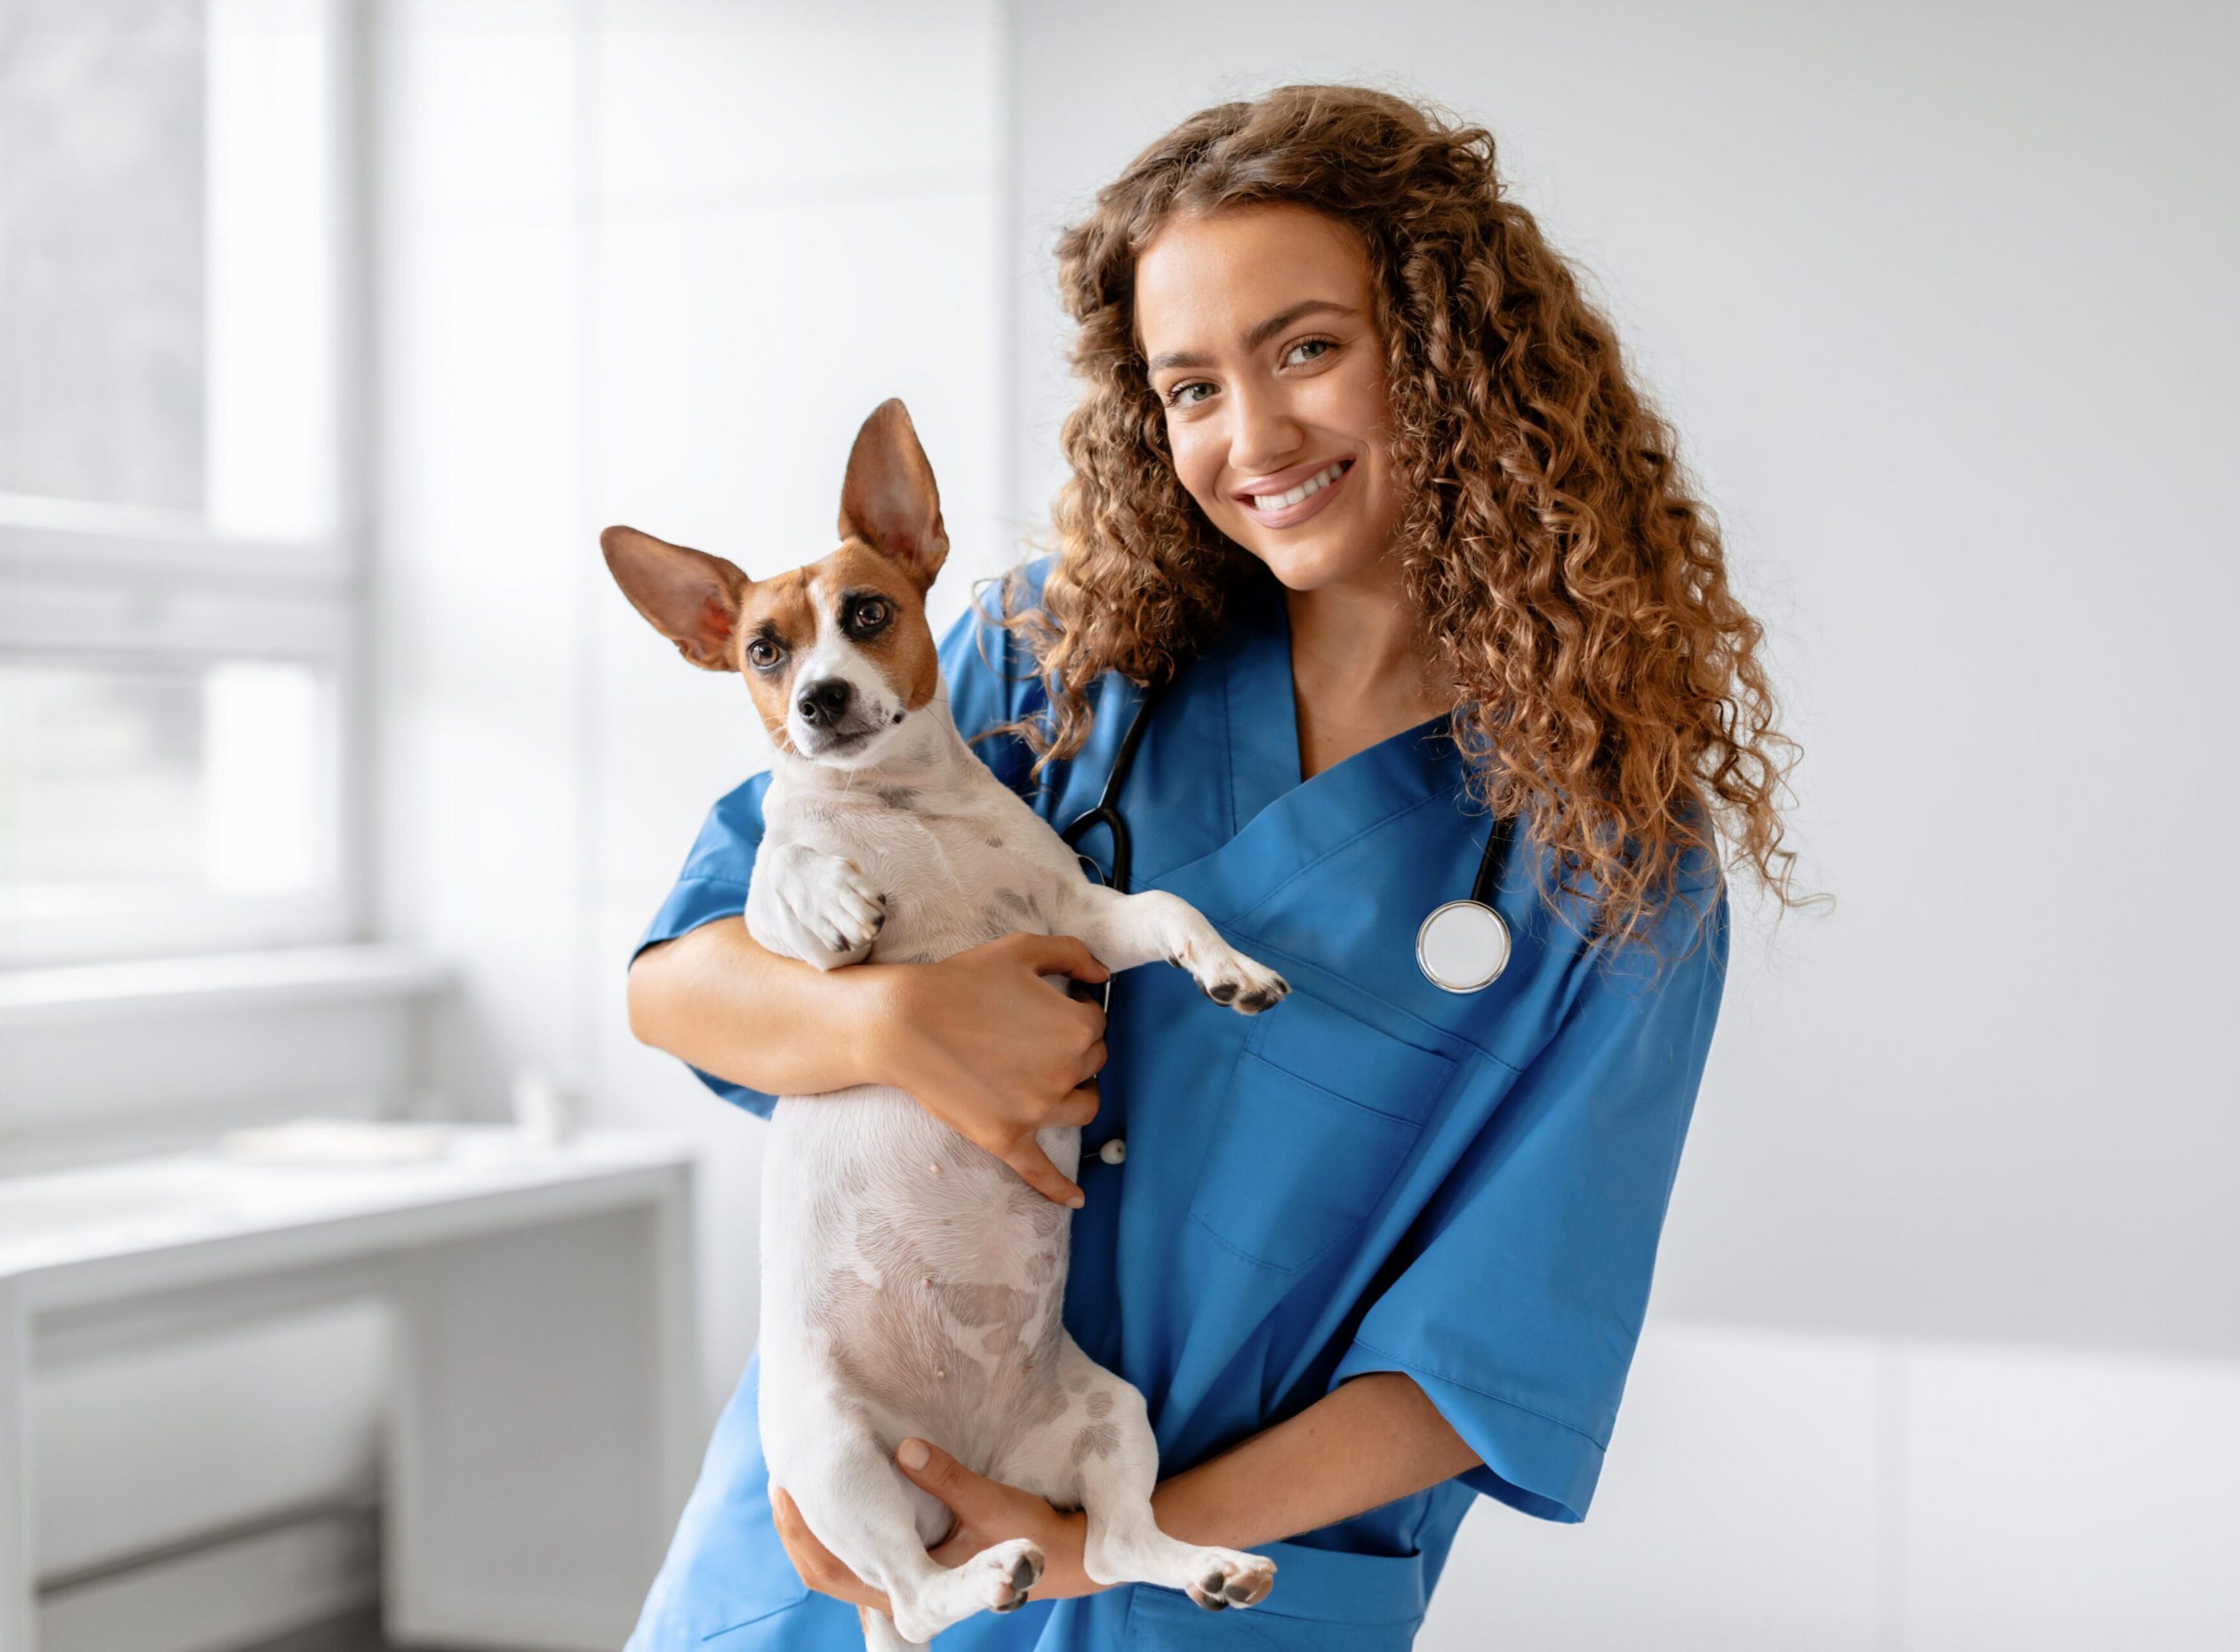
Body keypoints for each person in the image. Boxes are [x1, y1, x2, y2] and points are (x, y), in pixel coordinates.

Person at [621, 83, 1801, 1651]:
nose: (1250, 437)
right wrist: (888, 1030)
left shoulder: (1603, 865)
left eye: (1307, 347)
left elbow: (1480, 1361)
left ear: (1446, 352)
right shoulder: (1037, 665)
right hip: (831, 1561)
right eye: (1188, 387)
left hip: (1192, 1595)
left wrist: (1094, 1541)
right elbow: (676, 981)